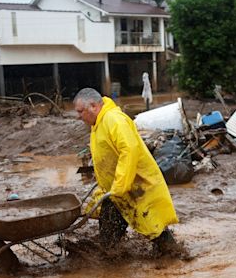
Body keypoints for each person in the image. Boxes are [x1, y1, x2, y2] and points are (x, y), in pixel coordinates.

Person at [73, 87, 178, 255]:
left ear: (93, 106)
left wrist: (120, 185)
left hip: (136, 186)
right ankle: (112, 258)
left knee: (154, 227)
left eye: (80, 111)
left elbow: (129, 150)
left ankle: (176, 258)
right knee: (109, 235)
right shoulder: (98, 123)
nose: (79, 116)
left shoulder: (114, 120)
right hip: (116, 191)